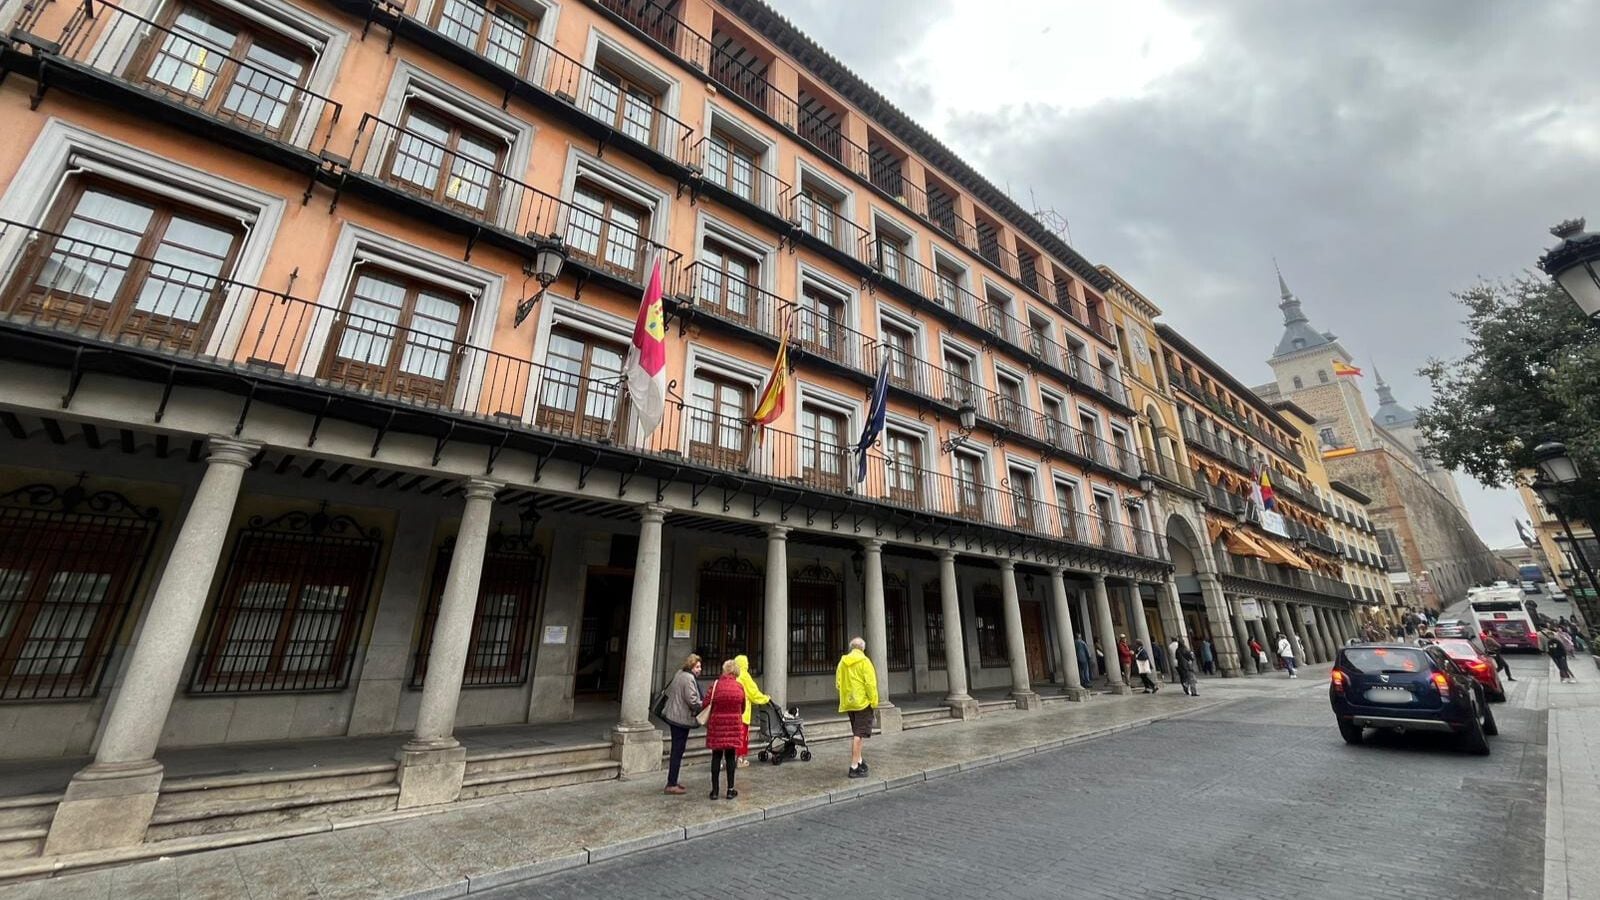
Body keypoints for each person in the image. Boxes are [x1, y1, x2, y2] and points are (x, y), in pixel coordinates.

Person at [836, 636, 879, 778]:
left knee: (857, 732)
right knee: (859, 735)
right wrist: (873, 701)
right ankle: (854, 766)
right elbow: (870, 684)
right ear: (862, 648)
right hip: (862, 703)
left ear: (851, 647)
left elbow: (838, 683)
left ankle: (859, 760)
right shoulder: (865, 662)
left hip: (849, 703)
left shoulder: (842, 662)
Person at [704, 659, 746, 799]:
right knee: (730, 757)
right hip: (733, 725)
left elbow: (706, 702)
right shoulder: (739, 687)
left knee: (716, 757)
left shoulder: (716, 685)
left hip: (717, 726)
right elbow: (743, 707)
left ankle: (715, 791)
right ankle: (730, 790)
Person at [660, 654, 703, 795]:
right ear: (691, 666)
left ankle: (673, 780)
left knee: (677, 750)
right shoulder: (689, 678)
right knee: (678, 750)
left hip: (673, 716)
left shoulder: (680, 673)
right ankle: (671, 783)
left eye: (700, 667)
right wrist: (705, 705)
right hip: (680, 719)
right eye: (697, 667)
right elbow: (692, 701)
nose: (699, 669)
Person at [732, 654, 769, 768]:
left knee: (733, 737)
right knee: (743, 737)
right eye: (746, 662)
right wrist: (765, 698)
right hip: (743, 713)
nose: (748, 664)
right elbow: (753, 693)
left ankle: (732, 758)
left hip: (732, 713)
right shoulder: (745, 676)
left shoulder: (732, 675)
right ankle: (740, 759)